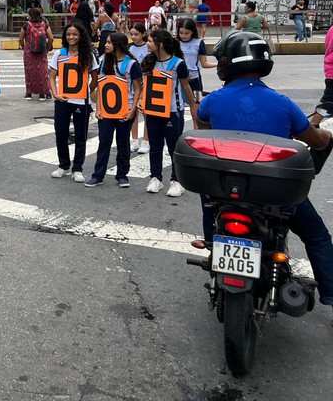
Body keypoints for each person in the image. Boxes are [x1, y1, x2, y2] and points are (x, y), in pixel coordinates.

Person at [196, 31, 333, 315]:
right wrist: (326, 136)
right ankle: (331, 297)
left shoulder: (212, 101)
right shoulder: (283, 103)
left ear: (226, 63)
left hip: (227, 190)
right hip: (277, 195)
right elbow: (316, 141)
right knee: (317, 237)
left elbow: (204, 135)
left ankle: (211, 238)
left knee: (208, 196)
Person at [140, 28, 198, 196]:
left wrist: (193, 105)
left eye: (150, 41)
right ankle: (156, 178)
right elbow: (145, 85)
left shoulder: (178, 63)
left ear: (161, 44)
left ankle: (177, 180)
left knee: (173, 147)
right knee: (155, 145)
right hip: (152, 110)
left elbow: (186, 86)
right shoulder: (148, 61)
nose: (147, 43)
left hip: (172, 111)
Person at [86, 33, 143, 188]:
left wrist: (132, 110)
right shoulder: (104, 62)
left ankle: (122, 175)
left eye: (109, 43)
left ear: (118, 45)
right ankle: (98, 175)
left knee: (122, 142)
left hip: (125, 109)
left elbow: (138, 88)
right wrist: (98, 108)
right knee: (104, 141)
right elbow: (101, 87)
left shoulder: (131, 64)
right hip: (106, 110)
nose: (105, 45)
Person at [48, 21, 98, 182]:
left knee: (80, 135)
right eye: (68, 34)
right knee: (61, 133)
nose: (71, 37)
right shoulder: (59, 54)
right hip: (62, 101)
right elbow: (51, 76)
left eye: (75, 34)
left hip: (81, 103)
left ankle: (77, 168)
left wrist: (86, 92)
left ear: (80, 36)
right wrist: (55, 94)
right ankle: (63, 165)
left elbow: (95, 77)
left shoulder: (87, 55)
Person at [19, 7, 54, 100]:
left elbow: (21, 39)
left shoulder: (26, 25)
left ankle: (29, 93)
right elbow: (51, 38)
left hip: (29, 51)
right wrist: (47, 48)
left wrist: (24, 48)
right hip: (42, 51)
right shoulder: (44, 24)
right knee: (42, 72)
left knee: (29, 72)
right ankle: (42, 94)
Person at [178, 18, 216, 101]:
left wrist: (218, 64)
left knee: (197, 103)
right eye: (181, 33)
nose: (183, 36)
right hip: (179, 80)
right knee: (179, 105)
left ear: (192, 31)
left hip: (194, 78)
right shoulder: (175, 42)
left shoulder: (199, 42)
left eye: (187, 33)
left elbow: (204, 63)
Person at [127, 22, 150, 155]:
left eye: (136, 34)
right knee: (133, 111)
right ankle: (134, 139)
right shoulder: (129, 48)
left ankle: (146, 140)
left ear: (143, 34)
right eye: (132, 34)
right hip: (132, 83)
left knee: (146, 112)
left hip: (147, 82)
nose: (134, 37)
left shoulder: (148, 47)